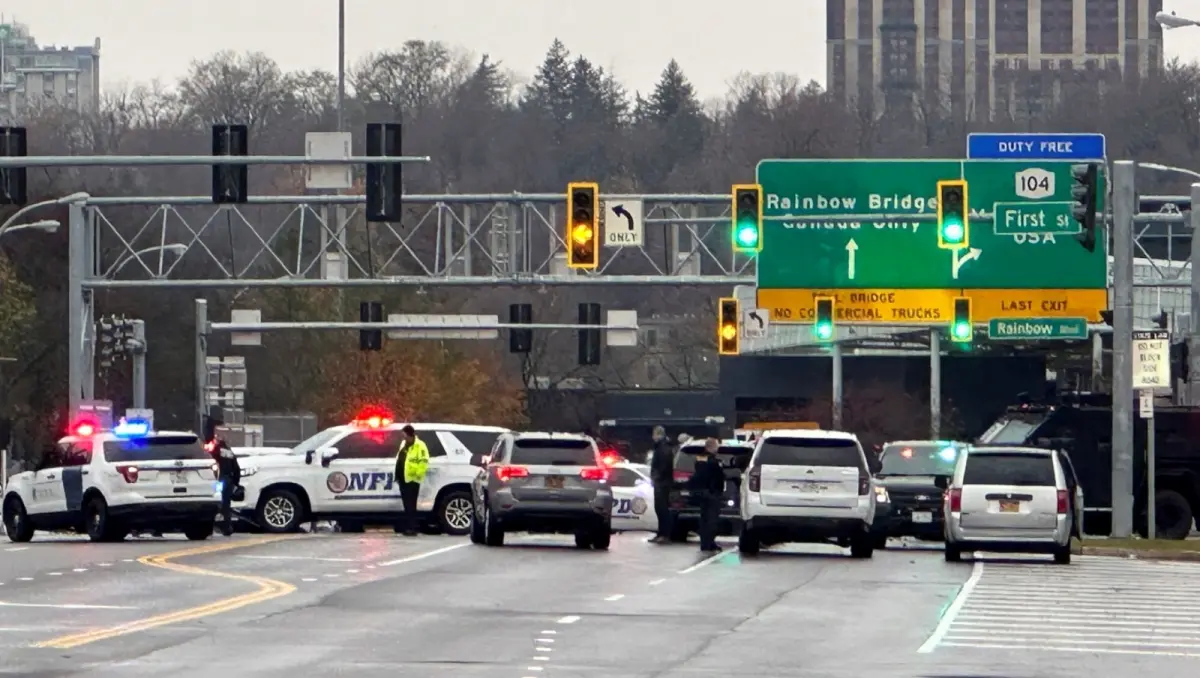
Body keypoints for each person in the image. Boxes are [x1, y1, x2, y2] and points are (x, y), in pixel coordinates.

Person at [687, 438, 725, 553]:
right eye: (716, 447)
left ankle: (706, 542)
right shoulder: (713, 461)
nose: (717, 449)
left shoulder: (700, 459)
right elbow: (718, 476)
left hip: (702, 492)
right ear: (711, 447)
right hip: (711, 493)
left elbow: (699, 472)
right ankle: (708, 543)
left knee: (704, 518)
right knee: (711, 519)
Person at [394, 425, 430, 536]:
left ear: (408, 433)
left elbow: (424, 461)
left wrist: (417, 474)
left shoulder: (420, 445)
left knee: (411, 505)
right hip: (403, 479)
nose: (402, 435)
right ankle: (408, 527)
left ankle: (413, 528)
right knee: (407, 505)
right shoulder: (404, 444)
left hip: (412, 479)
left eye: (403, 433)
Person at [648, 425, 675, 544]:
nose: (653, 437)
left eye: (654, 434)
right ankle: (661, 533)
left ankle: (664, 534)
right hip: (662, 482)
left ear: (659, 434)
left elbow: (663, 466)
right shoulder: (662, 447)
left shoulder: (663, 448)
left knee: (662, 509)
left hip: (663, 483)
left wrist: (657, 478)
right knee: (659, 508)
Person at [214, 437, 241, 537]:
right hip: (228, 481)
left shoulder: (215, 451)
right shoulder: (230, 453)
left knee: (215, 502)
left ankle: (215, 525)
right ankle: (227, 527)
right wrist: (235, 483)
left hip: (217, 481)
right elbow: (237, 469)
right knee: (226, 505)